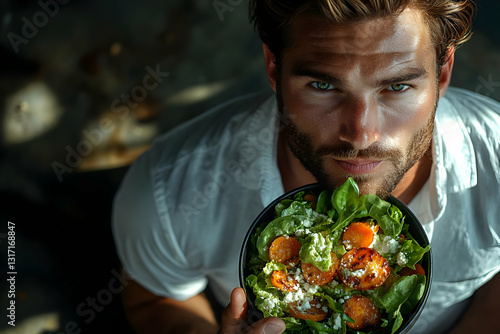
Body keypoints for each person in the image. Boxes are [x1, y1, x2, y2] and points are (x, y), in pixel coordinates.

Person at [112, 0, 500, 333]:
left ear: (443, 72)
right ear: (273, 68)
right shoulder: (167, 193)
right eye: (323, 86)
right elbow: (155, 298)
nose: (361, 134)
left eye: (397, 87)